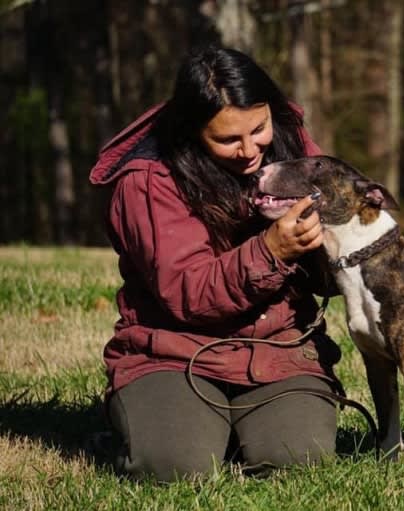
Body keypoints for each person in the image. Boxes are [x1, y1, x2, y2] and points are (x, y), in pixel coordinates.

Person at [89, 45, 342, 482]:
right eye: (227, 139)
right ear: (191, 132)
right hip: (173, 352)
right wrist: (272, 252)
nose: (250, 150)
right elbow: (188, 293)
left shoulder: (293, 143)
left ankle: (236, 427)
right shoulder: (147, 179)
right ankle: (150, 423)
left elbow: (343, 236)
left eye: (258, 128)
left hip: (278, 349)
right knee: (174, 467)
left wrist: (333, 247)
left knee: (299, 461)